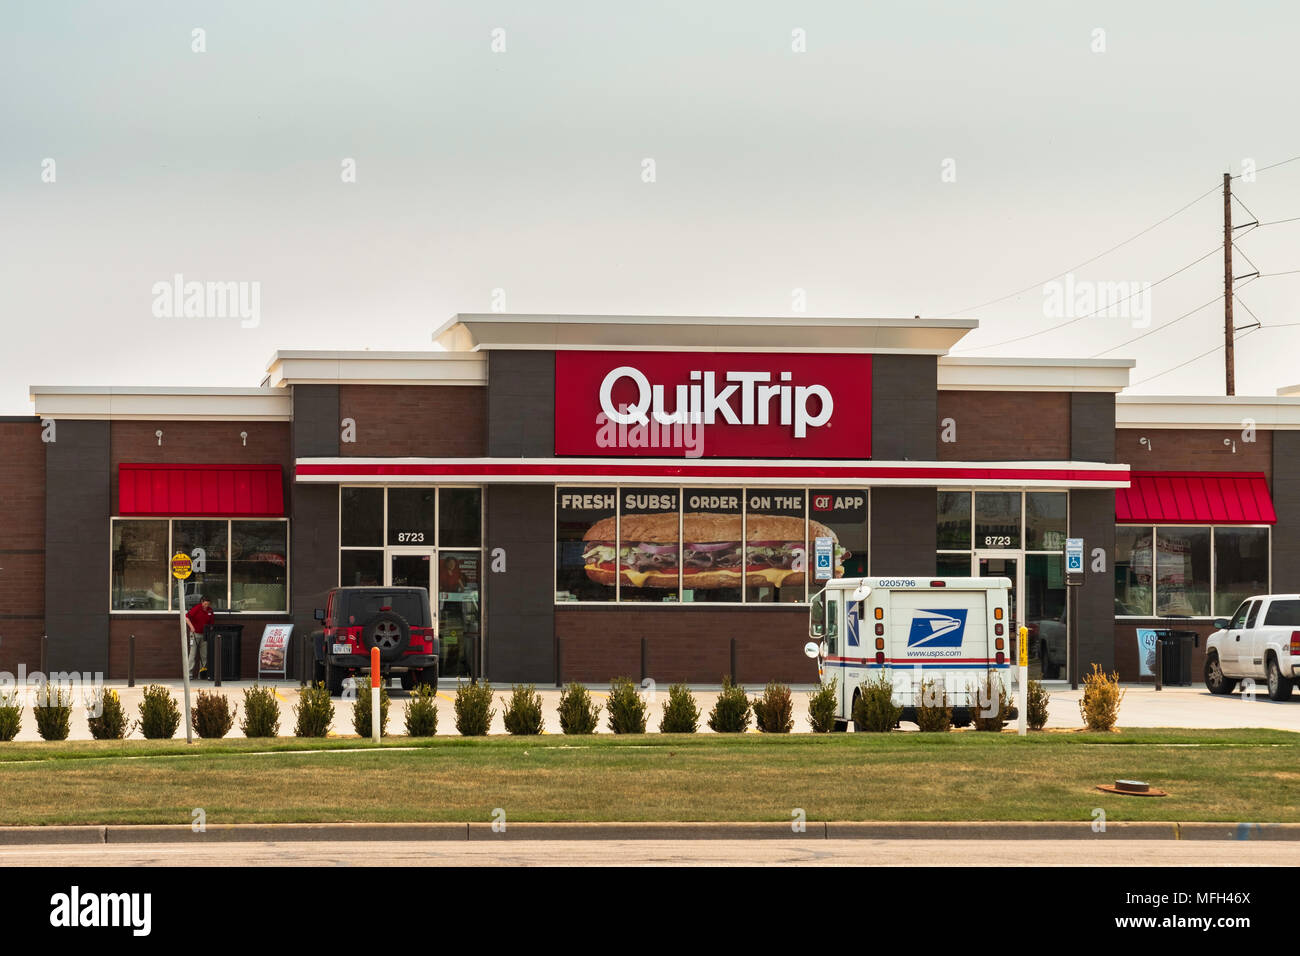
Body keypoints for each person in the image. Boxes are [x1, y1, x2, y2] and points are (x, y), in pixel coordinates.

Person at [185, 595, 216, 679]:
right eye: (205, 604)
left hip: (205, 635)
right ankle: (189, 674)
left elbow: (211, 624)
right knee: (192, 654)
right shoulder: (197, 608)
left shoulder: (210, 611)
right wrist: (191, 627)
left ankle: (202, 674)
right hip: (195, 634)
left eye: (208, 604)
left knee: (204, 655)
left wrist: (210, 631)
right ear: (202, 602)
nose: (206, 606)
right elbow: (186, 617)